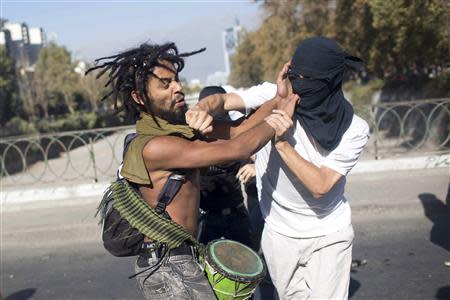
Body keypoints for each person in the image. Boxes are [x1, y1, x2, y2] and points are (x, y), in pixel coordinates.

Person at [87, 42, 298, 300]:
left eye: (176, 80)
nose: (178, 88)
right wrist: (277, 120)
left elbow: (239, 130)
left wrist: (279, 98)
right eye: (165, 84)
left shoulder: (177, 130)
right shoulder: (155, 146)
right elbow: (238, 149)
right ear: (139, 97)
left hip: (185, 255)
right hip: (166, 265)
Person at [188, 36, 370, 299]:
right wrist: (201, 108)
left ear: (330, 81)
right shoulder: (273, 97)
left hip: (328, 234)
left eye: (309, 80)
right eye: (296, 76)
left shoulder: (355, 128)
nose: (299, 87)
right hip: (279, 234)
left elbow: (321, 185)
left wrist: (282, 144)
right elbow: (224, 100)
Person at [196, 86, 257, 250]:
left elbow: (253, 154)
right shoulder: (194, 142)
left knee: (249, 265)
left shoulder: (234, 134)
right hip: (207, 218)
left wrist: (254, 166)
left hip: (237, 214)